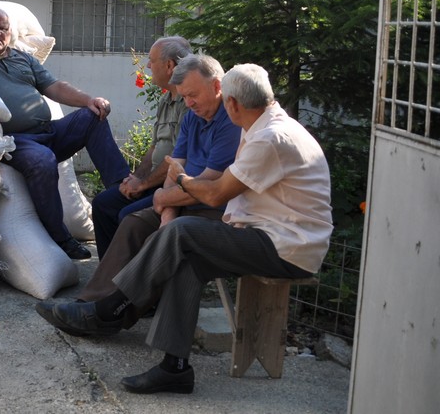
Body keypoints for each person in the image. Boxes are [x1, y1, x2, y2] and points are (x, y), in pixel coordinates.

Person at [35, 63, 333, 396]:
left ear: (231, 102)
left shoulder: (269, 137)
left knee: (183, 231)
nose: (188, 102)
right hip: (267, 234)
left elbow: (217, 192)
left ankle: (110, 308)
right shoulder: (263, 126)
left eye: (193, 95)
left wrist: (179, 180)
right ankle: (174, 368)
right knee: (188, 264)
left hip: (287, 248)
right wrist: (172, 193)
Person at [0, 7, 129, 260]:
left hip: (48, 132)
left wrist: (89, 100)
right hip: (15, 142)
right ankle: (61, 237)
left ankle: (122, 189)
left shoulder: (24, 59)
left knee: (93, 117)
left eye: (2, 28)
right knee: (42, 159)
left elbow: (55, 87)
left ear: (9, 32)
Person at [73, 52, 240, 305]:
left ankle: (121, 305)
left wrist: (161, 196)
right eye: (184, 97)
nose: (189, 103)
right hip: (183, 200)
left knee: (149, 233)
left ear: (217, 86)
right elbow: (175, 167)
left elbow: (209, 186)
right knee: (131, 222)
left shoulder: (231, 121)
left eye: (192, 95)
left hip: (212, 210)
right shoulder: (193, 117)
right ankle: (93, 301)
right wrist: (167, 211)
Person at [90, 36, 192, 256]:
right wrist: (137, 179)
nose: (147, 66)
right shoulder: (166, 100)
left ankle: (130, 280)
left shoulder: (189, 102)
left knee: (127, 215)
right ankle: (109, 276)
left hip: (174, 186)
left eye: (152, 60)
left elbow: (179, 157)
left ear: (169, 65)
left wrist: (144, 185)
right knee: (102, 204)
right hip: (154, 183)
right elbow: (154, 148)